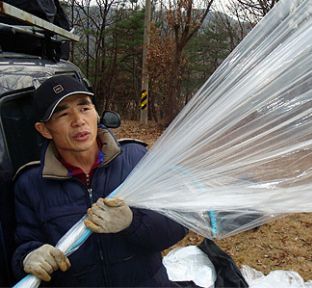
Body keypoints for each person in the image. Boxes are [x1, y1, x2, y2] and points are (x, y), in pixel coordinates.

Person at [11, 75, 188, 287]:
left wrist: (132, 222)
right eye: (63, 114)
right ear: (44, 130)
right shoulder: (30, 184)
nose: (78, 121)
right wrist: (28, 256)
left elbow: (178, 225)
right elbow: (24, 243)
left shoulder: (136, 159)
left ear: (96, 113)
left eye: (85, 108)